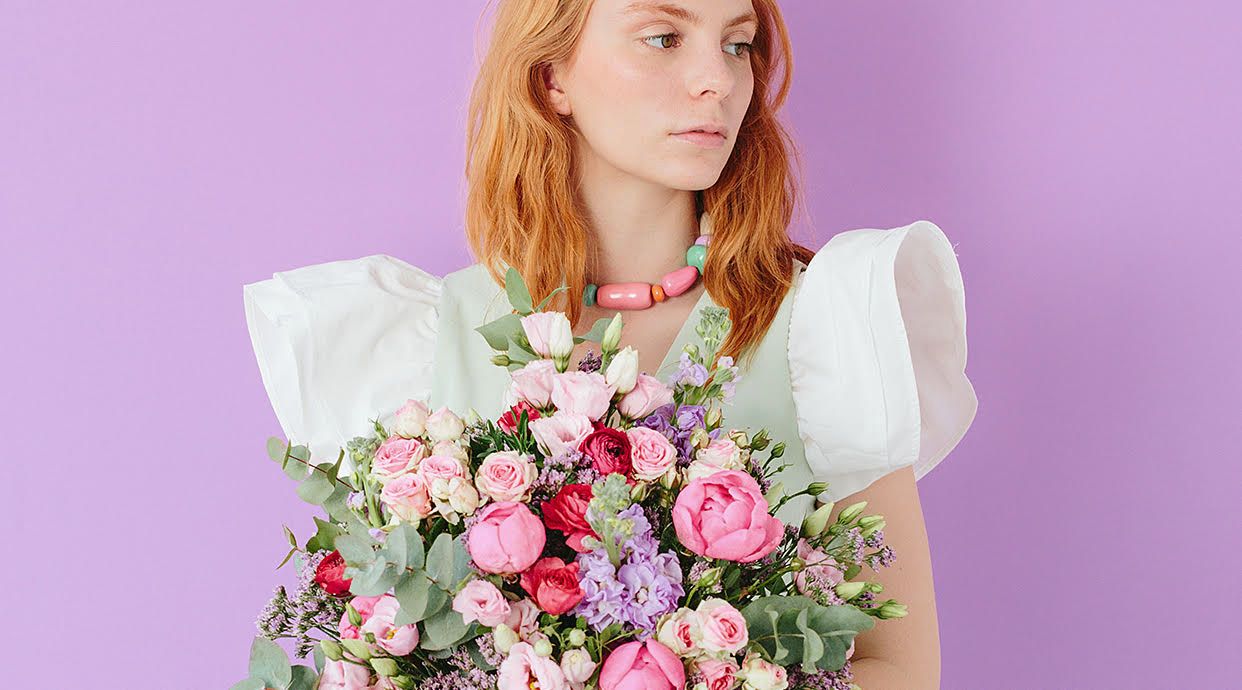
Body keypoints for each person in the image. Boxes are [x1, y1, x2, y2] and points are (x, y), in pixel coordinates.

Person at [242, 1, 977, 685]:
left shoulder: (825, 323)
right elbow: (379, 650)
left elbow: (899, 667)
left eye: (737, 45)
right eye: (664, 38)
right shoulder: (428, 335)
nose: (718, 80)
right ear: (551, 75)